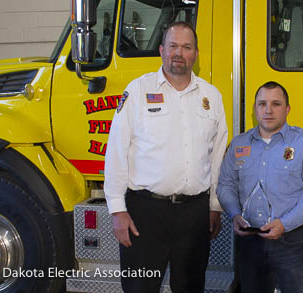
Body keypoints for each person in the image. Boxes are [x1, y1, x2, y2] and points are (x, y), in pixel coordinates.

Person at [104, 21, 228, 293]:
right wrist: (117, 209)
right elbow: (116, 151)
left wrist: (215, 206)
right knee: (140, 287)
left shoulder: (212, 97)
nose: (178, 53)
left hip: (194, 215)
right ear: (161, 50)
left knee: (190, 287)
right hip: (145, 214)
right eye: (173, 46)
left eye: (186, 47)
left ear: (196, 53)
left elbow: (218, 156)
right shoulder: (137, 91)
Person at [217, 81, 303, 293]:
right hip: (250, 243)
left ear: (287, 109)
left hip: (293, 244)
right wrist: (234, 214)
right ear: (254, 109)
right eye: (262, 104)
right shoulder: (239, 144)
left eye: (276, 104)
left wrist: (285, 224)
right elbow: (225, 185)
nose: (268, 110)